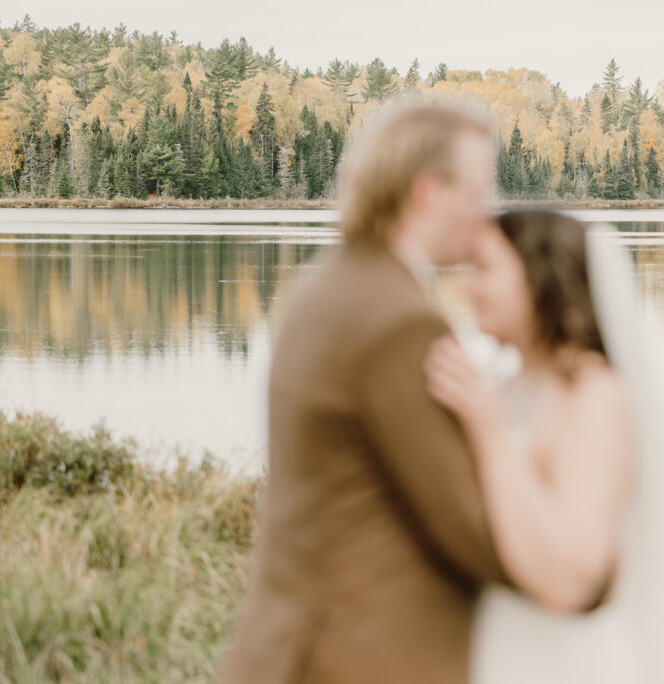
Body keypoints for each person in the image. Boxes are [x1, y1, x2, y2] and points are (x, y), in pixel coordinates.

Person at [220, 99, 514, 684]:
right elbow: (474, 534)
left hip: (287, 651)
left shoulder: (323, 286)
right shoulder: (400, 324)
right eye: (481, 192)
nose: (491, 214)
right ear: (428, 192)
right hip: (361, 661)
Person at [425, 209, 664, 684]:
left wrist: (489, 435)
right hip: (503, 642)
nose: (468, 286)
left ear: (538, 277)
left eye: (485, 268)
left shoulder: (595, 397)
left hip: (569, 660)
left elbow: (574, 576)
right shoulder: (503, 386)